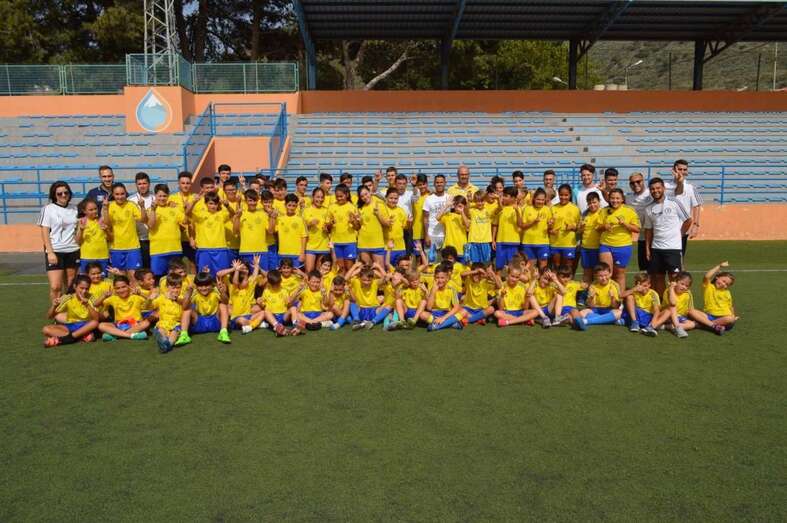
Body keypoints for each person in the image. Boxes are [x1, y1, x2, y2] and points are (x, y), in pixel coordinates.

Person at [643, 177, 692, 299]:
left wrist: (680, 234)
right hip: (656, 248)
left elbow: (688, 220)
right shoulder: (648, 208)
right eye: (652, 189)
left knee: (674, 278)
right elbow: (648, 230)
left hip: (673, 248)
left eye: (658, 188)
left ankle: (676, 305)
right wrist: (647, 249)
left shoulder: (674, 202)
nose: (655, 191)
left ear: (663, 188)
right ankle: (663, 303)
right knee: (658, 277)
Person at [39, 181, 80, 302]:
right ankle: (56, 311)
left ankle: (69, 310)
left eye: (66, 192)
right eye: (59, 193)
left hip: (73, 249)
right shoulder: (48, 209)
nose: (63, 195)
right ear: (54, 195)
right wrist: (50, 252)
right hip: (55, 250)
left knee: (70, 284)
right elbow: (45, 231)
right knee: (55, 286)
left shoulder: (75, 209)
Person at [598, 188, 640, 292]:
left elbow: (637, 229)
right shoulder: (603, 211)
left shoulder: (629, 211)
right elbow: (597, 227)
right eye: (612, 198)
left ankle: (620, 298)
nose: (615, 200)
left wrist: (625, 224)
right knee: (606, 273)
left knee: (619, 274)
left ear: (622, 199)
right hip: (606, 245)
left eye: (617, 198)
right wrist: (604, 226)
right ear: (609, 199)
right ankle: (606, 297)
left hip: (623, 246)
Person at [103, 183, 147, 278]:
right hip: (116, 247)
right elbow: (107, 224)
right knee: (119, 278)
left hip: (133, 247)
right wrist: (105, 209)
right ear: (113, 195)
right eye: (117, 194)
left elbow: (143, 220)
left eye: (122, 194)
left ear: (125, 193)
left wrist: (142, 207)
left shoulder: (131, 205)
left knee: (134, 276)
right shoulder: (109, 206)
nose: (120, 197)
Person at [42, 274, 100, 347]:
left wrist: (87, 304)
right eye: (81, 288)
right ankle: (79, 337)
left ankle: (67, 339)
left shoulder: (91, 297)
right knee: (46, 329)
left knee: (94, 323)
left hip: (86, 326)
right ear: (75, 286)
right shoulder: (68, 298)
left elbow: (96, 319)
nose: (84, 291)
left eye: (87, 289)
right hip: (71, 325)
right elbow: (50, 316)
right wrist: (53, 306)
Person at [188, 192, 234, 276]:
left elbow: (232, 213)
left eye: (215, 204)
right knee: (204, 276)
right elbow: (187, 213)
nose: (213, 206)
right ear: (206, 203)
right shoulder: (200, 214)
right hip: (204, 249)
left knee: (222, 275)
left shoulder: (221, 214)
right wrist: (193, 202)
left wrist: (227, 206)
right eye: (211, 203)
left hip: (221, 248)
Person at [93, 276, 150, 341]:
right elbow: (95, 304)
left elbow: (151, 300)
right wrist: (104, 296)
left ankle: (116, 335)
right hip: (119, 325)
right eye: (118, 288)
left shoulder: (136, 296)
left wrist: (141, 294)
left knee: (146, 323)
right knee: (101, 325)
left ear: (129, 286)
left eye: (124, 287)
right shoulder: (113, 298)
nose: (121, 290)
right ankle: (131, 335)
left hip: (135, 324)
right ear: (114, 289)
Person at [180, 270, 231, 343]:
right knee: (188, 309)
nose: (204, 288)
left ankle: (223, 332)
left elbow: (226, 302)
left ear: (212, 285)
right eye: (200, 286)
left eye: (206, 285)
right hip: (199, 322)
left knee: (222, 305)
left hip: (215, 321)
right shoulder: (194, 292)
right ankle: (184, 335)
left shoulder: (215, 290)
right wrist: (189, 292)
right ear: (196, 286)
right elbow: (184, 307)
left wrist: (222, 292)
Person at [688, 261, 738, 335]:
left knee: (730, 319)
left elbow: (730, 306)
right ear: (717, 277)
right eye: (723, 281)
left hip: (723, 317)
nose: (723, 284)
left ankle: (703, 325)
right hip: (709, 315)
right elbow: (707, 276)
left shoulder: (727, 292)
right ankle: (713, 326)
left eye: (727, 284)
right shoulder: (708, 286)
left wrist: (733, 315)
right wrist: (719, 266)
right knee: (691, 311)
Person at [665, 159, 702, 256]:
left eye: (684, 169)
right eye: (680, 169)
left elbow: (697, 206)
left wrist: (695, 225)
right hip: (666, 228)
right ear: (673, 170)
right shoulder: (665, 186)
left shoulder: (690, 187)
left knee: (679, 258)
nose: (682, 172)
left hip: (682, 229)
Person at [147, 184, 186, 278]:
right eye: (160, 196)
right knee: (158, 277)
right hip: (158, 250)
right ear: (155, 196)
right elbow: (151, 225)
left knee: (176, 278)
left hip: (175, 249)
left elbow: (185, 221)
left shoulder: (174, 209)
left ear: (168, 196)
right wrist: (153, 210)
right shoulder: (150, 209)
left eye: (164, 196)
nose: (162, 198)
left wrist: (185, 207)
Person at [573, 263, 624, 331]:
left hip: (609, 309)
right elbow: (591, 306)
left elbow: (615, 306)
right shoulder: (593, 286)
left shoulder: (614, 285)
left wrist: (612, 298)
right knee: (581, 313)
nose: (604, 278)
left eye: (606, 275)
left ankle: (586, 321)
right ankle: (608, 320)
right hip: (596, 309)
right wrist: (591, 297)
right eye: (600, 276)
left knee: (619, 313)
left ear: (610, 274)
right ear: (596, 276)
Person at [234, 189, 274, 271]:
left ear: (258, 200)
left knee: (263, 276)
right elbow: (235, 231)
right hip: (246, 251)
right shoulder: (241, 214)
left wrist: (272, 217)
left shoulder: (263, 214)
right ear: (245, 201)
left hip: (262, 252)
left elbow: (270, 231)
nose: (252, 203)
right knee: (247, 276)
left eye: (254, 200)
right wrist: (237, 217)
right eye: (250, 200)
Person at [647, 271, 695, 338]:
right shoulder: (669, 291)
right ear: (675, 282)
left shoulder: (688, 293)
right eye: (682, 284)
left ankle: (665, 327)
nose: (684, 287)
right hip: (666, 316)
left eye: (687, 286)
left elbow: (690, 308)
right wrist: (671, 288)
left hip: (679, 317)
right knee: (672, 307)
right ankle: (653, 326)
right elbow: (673, 303)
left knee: (692, 324)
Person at [420, 265, 464, 331]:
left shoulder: (451, 289)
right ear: (434, 278)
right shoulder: (432, 288)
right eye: (437, 277)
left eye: (442, 278)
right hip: (434, 314)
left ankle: (437, 326)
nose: (440, 280)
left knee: (462, 312)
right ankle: (451, 323)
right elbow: (429, 308)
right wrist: (433, 292)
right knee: (422, 315)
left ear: (447, 278)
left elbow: (456, 308)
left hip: (446, 313)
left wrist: (443, 318)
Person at [354, 186, 390, 267]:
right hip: (363, 244)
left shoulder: (379, 204)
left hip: (377, 243)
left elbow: (387, 224)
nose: (365, 197)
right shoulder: (359, 208)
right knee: (366, 270)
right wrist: (355, 220)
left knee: (379, 270)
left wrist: (378, 214)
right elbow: (357, 228)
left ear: (370, 192)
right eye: (362, 196)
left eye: (366, 194)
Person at [624, 172, 653, 271]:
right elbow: (613, 200)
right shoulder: (628, 198)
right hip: (642, 238)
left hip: (656, 238)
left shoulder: (652, 193)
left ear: (643, 181)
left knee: (658, 270)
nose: (635, 184)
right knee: (644, 269)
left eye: (638, 181)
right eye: (632, 183)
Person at [519, 188, 552, 269]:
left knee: (543, 267)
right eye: (538, 199)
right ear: (534, 199)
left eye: (542, 200)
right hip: (528, 242)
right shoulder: (527, 209)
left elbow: (550, 227)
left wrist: (550, 225)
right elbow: (522, 226)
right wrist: (533, 222)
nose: (540, 202)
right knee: (530, 267)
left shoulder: (547, 209)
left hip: (543, 243)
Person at [548, 184, 580, 268]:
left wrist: (573, 227)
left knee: (568, 267)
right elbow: (548, 227)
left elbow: (579, 227)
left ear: (570, 195)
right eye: (561, 195)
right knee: (556, 266)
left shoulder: (575, 208)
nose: (563, 197)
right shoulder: (553, 208)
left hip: (569, 244)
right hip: (555, 243)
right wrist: (551, 230)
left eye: (566, 195)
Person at [329, 184, 359, 271]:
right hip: (336, 242)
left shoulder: (352, 207)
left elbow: (357, 227)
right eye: (337, 196)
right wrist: (330, 224)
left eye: (341, 196)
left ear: (347, 195)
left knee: (349, 268)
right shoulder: (331, 207)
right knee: (340, 269)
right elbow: (328, 228)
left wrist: (353, 221)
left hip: (350, 242)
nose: (339, 198)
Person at [76, 198, 109, 275]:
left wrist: (105, 207)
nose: (94, 211)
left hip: (102, 257)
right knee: (86, 281)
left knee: (103, 280)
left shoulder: (102, 220)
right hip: (87, 257)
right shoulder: (82, 221)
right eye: (91, 210)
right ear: (84, 211)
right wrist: (81, 230)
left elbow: (110, 237)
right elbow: (78, 241)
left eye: (95, 209)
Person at [170, 171, 197, 267]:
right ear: (178, 184)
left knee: (193, 264)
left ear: (191, 184)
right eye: (183, 183)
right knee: (177, 265)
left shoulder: (195, 198)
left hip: (192, 237)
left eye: (188, 183)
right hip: (177, 238)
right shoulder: (171, 198)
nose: (185, 185)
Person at [128, 172, 154, 269]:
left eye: (144, 183)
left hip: (154, 239)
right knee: (140, 269)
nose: (142, 186)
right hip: (138, 240)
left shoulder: (156, 198)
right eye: (139, 184)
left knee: (153, 268)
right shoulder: (130, 200)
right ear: (136, 185)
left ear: (149, 184)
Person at [422, 174, 450, 262]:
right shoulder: (428, 199)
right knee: (431, 262)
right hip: (432, 234)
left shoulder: (449, 198)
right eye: (437, 182)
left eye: (441, 182)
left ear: (445, 183)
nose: (439, 184)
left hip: (446, 235)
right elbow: (425, 218)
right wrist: (426, 235)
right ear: (434, 184)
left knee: (445, 264)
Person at [302, 188, 331, 273]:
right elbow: (302, 228)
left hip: (324, 245)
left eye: (322, 197)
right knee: (309, 270)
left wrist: (327, 227)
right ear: (313, 197)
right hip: (310, 245)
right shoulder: (306, 210)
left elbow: (329, 228)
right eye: (317, 197)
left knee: (320, 272)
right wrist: (310, 224)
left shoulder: (326, 210)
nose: (320, 199)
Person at [494, 187, 521, 270]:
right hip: (500, 241)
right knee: (499, 266)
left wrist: (517, 211)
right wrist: (493, 240)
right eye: (503, 195)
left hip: (513, 241)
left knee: (513, 266)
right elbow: (495, 225)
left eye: (506, 196)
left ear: (513, 198)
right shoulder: (501, 209)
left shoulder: (517, 209)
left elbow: (520, 224)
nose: (503, 197)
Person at [437, 195, 469, 263]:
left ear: (464, 206)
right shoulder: (448, 215)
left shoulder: (465, 217)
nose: (458, 208)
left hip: (461, 248)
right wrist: (446, 205)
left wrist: (462, 212)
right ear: (454, 205)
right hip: (449, 248)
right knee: (448, 267)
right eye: (456, 205)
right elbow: (437, 217)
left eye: (460, 206)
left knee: (462, 267)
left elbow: (467, 225)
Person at [383, 187, 409, 268]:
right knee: (388, 270)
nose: (393, 200)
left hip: (400, 247)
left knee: (401, 270)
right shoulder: (382, 209)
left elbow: (405, 227)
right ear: (386, 197)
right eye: (391, 198)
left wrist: (409, 222)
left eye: (395, 198)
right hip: (386, 247)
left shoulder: (401, 211)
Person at [466, 191, 494, 265]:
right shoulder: (472, 211)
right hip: (473, 240)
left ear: (485, 201)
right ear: (475, 201)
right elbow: (466, 211)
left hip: (485, 241)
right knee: (474, 264)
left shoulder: (488, 211)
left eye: (482, 201)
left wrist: (497, 198)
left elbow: (500, 208)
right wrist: (469, 200)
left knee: (486, 263)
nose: (480, 203)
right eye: (478, 201)